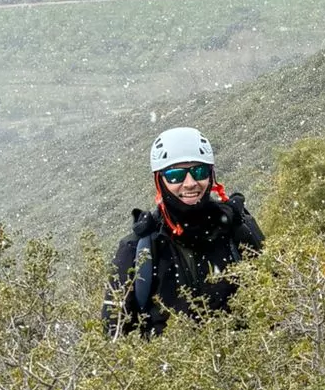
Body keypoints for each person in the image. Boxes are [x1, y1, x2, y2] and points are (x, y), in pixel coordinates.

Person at [106, 126, 264, 336]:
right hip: (170, 367)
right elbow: (114, 334)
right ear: (159, 180)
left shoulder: (238, 227)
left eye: (199, 172)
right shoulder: (139, 248)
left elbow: (276, 296)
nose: (190, 183)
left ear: (211, 176)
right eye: (175, 175)